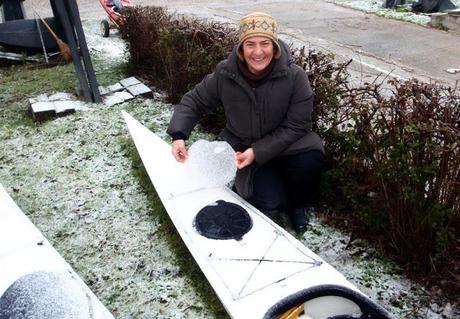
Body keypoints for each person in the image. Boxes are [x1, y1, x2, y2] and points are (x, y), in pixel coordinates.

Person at [167, 12, 324, 232]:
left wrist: (258, 151)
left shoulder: (295, 77)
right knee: (269, 203)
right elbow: (195, 101)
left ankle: (298, 206)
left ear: (275, 46)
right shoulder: (225, 74)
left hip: (291, 145)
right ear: (241, 48)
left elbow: (298, 125)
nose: (258, 52)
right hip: (243, 146)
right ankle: (276, 189)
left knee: (309, 162)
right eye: (250, 44)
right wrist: (178, 135)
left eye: (265, 43)